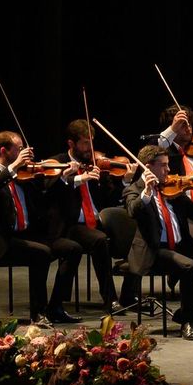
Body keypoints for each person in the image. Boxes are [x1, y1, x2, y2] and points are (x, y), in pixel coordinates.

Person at [125, 145, 193, 340]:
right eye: (163, 165)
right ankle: (188, 322)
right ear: (148, 167)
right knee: (189, 267)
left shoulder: (173, 189)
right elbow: (133, 210)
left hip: (182, 247)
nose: (169, 170)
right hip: (155, 251)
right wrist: (147, 192)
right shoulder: (135, 190)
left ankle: (187, 313)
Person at [0, 131, 84, 323]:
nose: (24, 153)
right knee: (41, 253)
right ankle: (37, 312)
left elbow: (45, 195)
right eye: (19, 149)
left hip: (30, 235)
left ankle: (55, 307)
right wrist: (12, 168)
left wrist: (63, 177)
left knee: (73, 248)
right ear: (4, 151)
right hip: (3, 239)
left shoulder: (25, 174)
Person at [48, 119, 128, 315]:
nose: (89, 148)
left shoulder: (94, 165)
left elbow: (110, 198)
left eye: (91, 142)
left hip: (95, 222)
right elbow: (47, 191)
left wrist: (124, 182)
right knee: (100, 240)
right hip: (69, 225)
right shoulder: (57, 163)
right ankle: (111, 299)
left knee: (132, 235)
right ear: (71, 143)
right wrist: (76, 179)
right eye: (85, 143)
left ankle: (130, 294)